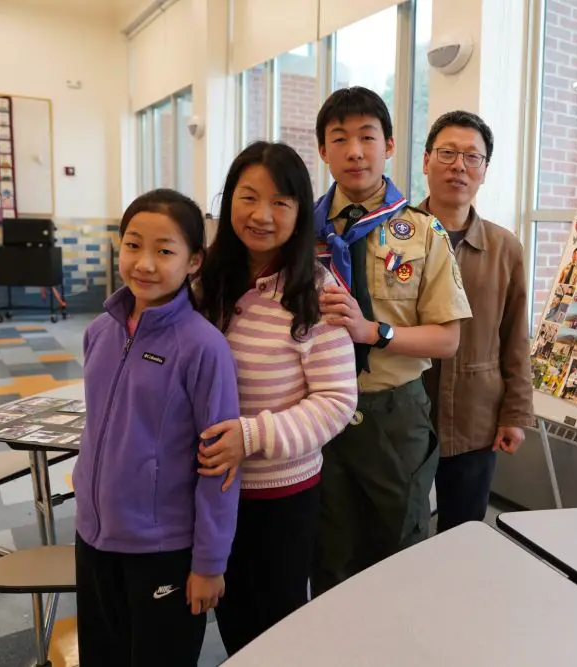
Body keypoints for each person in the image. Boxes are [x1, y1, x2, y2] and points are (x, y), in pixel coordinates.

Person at [193, 142, 358, 656]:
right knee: (229, 614)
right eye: (248, 197)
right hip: (208, 490)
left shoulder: (317, 292)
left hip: (278, 496)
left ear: (300, 211)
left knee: (275, 628)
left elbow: (336, 400)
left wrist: (251, 436)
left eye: (280, 202)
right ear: (229, 200)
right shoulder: (203, 282)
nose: (261, 215)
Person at [312, 87, 472, 593]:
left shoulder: (423, 232)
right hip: (315, 411)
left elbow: (447, 339)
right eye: (340, 139)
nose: (355, 151)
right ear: (323, 150)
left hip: (394, 412)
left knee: (398, 550)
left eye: (367, 137)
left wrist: (374, 332)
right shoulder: (301, 232)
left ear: (389, 145)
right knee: (328, 552)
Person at [73, 189, 240, 667]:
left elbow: (220, 465)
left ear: (194, 262)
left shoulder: (203, 347)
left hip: (163, 549)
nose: (144, 263)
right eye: (132, 245)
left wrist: (209, 563)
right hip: (94, 540)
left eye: (164, 251)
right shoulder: (99, 332)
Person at [417, 110, 535, 532]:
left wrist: (515, 414)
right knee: (399, 530)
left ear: (485, 170)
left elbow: (515, 337)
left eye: (472, 157)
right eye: (447, 153)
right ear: (426, 160)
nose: (459, 166)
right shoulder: (395, 237)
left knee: (463, 532)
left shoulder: (505, 248)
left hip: (476, 417)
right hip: (408, 413)